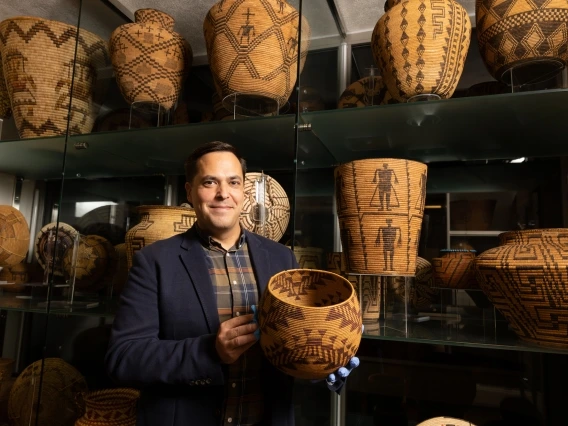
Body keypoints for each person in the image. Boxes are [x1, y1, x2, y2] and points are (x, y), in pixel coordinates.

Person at [105, 141, 359, 426]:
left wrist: (323, 363)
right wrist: (209, 351)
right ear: (189, 192)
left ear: (243, 191)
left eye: (233, 182)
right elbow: (123, 358)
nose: (223, 193)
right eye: (209, 182)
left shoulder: (280, 257)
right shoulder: (154, 261)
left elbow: (288, 349)